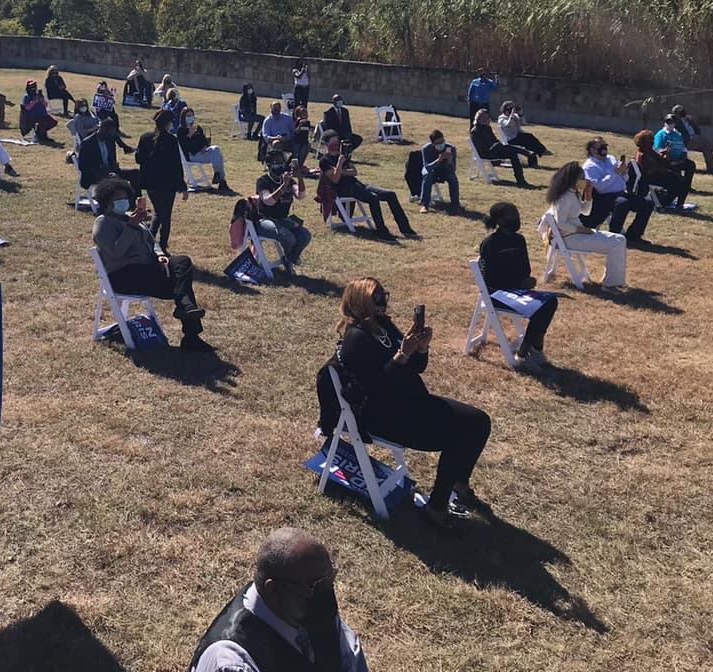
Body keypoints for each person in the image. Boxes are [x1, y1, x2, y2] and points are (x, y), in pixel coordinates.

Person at [332, 277, 491, 529]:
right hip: (387, 416)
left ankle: (459, 482)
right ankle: (436, 509)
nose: (383, 301)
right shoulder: (355, 340)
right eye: (377, 297)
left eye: (384, 295)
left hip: (412, 402)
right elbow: (378, 389)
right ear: (362, 302)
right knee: (458, 435)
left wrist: (421, 349)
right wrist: (401, 355)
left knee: (479, 421)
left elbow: (416, 369)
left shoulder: (384, 326)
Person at [189, 527, 366, 672]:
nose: (327, 591)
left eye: (330, 579)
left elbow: (350, 660)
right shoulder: (232, 661)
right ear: (273, 590)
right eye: (315, 585)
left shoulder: (312, 609)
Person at [91, 176, 206, 349]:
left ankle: (186, 308)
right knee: (181, 285)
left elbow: (152, 242)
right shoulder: (103, 223)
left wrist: (159, 255)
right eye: (118, 200)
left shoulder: (131, 217)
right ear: (107, 202)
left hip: (148, 269)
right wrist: (130, 227)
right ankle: (191, 334)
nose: (123, 202)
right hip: (124, 275)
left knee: (182, 261)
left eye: (125, 198)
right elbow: (116, 252)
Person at [479, 201, 558, 371]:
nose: (516, 218)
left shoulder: (519, 240)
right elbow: (487, 281)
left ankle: (535, 349)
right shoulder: (489, 244)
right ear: (500, 220)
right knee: (540, 309)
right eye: (512, 215)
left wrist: (527, 281)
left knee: (550, 302)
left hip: (518, 291)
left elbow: (525, 269)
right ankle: (523, 354)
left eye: (517, 214)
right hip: (497, 295)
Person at [317, 131, 416, 240]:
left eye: (337, 144)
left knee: (390, 194)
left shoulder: (343, 155)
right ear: (326, 145)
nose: (336, 148)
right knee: (373, 198)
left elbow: (354, 172)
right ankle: (382, 232)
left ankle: (405, 228)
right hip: (344, 189)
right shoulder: (324, 161)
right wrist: (340, 164)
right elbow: (335, 180)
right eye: (333, 145)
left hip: (357, 184)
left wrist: (339, 170)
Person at [547, 162, 628, 289]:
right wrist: (581, 230)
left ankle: (615, 280)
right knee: (615, 243)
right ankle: (611, 284)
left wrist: (588, 195)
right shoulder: (563, 197)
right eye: (582, 179)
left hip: (578, 233)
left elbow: (585, 211)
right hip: (570, 237)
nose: (584, 181)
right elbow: (560, 223)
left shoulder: (573, 193)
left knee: (620, 239)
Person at [581, 137, 653, 243]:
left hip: (621, 192)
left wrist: (624, 172)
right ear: (592, 150)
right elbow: (600, 187)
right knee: (622, 203)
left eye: (605, 145)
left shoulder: (611, 159)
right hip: (603, 197)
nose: (604, 148)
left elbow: (625, 179)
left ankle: (634, 235)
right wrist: (614, 173)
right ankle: (614, 235)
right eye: (600, 146)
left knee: (648, 203)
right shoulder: (589, 166)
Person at [136, 108, 188, 251]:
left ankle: (150, 240)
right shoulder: (171, 140)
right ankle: (162, 245)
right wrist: (182, 186)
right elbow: (176, 165)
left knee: (159, 212)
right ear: (168, 123)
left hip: (150, 183)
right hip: (167, 184)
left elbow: (138, 158)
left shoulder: (145, 137)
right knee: (165, 216)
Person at [254, 150, 311, 266]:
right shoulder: (262, 181)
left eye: (282, 162)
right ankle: (289, 260)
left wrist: (299, 178)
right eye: (276, 162)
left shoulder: (289, 181)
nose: (280, 165)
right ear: (268, 165)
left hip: (283, 219)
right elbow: (268, 201)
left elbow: (301, 195)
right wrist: (283, 187)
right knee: (288, 238)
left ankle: (290, 258)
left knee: (305, 235)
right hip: (264, 220)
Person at [470, 108, 531, 187]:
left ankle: (520, 180)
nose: (485, 119)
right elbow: (482, 147)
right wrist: (497, 145)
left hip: (495, 150)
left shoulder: (488, 128)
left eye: (487, 118)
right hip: (486, 153)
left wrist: (498, 144)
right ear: (478, 118)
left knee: (512, 154)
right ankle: (525, 152)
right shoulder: (475, 130)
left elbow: (495, 140)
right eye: (483, 117)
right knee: (499, 146)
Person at [178, 106, 232, 193]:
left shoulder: (198, 128)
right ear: (183, 117)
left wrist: (204, 147)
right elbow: (185, 147)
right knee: (218, 156)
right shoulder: (181, 130)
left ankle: (217, 174)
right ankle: (221, 181)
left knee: (216, 149)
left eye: (192, 115)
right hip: (192, 156)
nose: (190, 118)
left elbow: (204, 141)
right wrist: (189, 135)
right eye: (188, 116)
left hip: (202, 152)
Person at [406, 129, 461, 214]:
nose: (441, 145)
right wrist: (438, 160)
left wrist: (450, 161)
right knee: (427, 176)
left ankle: (455, 204)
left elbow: (453, 170)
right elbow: (426, 167)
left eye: (442, 141)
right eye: (438, 143)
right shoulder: (426, 149)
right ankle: (425, 204)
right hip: (432, 170)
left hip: (444, 170)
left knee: (452, 177)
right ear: (432, 143)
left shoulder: (450, 148)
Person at [78, 118, 138, 191]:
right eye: (109, 133)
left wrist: (113, 165)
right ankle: (117, 201)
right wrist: (102, 168)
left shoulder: (109, 140)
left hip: (110, 171)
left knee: (135, 173)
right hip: (94, 175)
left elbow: (110, 158)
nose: (111, 136)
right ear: (103, 130)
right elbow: (82, 166)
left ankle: (136, 200)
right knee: (115, 178)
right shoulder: (87, 143)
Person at [633, 129, 689, 209]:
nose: (653, 142)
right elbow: (650, 170)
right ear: (644, 142)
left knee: (682, 181)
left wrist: (666, 153)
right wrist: (662, 166)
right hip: (653, 178)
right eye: (651, 141)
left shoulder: (649, 151)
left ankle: (669, 202)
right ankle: (670, 203)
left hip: (660, 174)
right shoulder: (642, 155)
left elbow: (662, 160)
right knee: (681, 184)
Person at [671, 104, 713, 174]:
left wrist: (697, 136)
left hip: (696, 139)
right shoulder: (675, 122)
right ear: (676, 113)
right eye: (680, 110)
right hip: (686, 141)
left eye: (682, 109)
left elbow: (697, 129)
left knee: (707, 147)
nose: (683, 111)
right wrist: (691, 137)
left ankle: (711, 170)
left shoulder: (689, 119)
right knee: (706, 142)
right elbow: (678, 134)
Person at [653, 115, 697, 190]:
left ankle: (686, 186)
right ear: (665, 123)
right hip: (667, 160)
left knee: (691, 165)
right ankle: (679, 185)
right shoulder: (661, 134)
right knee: (675, 166)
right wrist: (666, 153)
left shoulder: (678, 135)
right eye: (667, 122)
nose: (669, 124)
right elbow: (657, 150)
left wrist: (683, 158)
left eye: (671, 122)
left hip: (679, 159)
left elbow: (683, 148)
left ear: (675, 123)